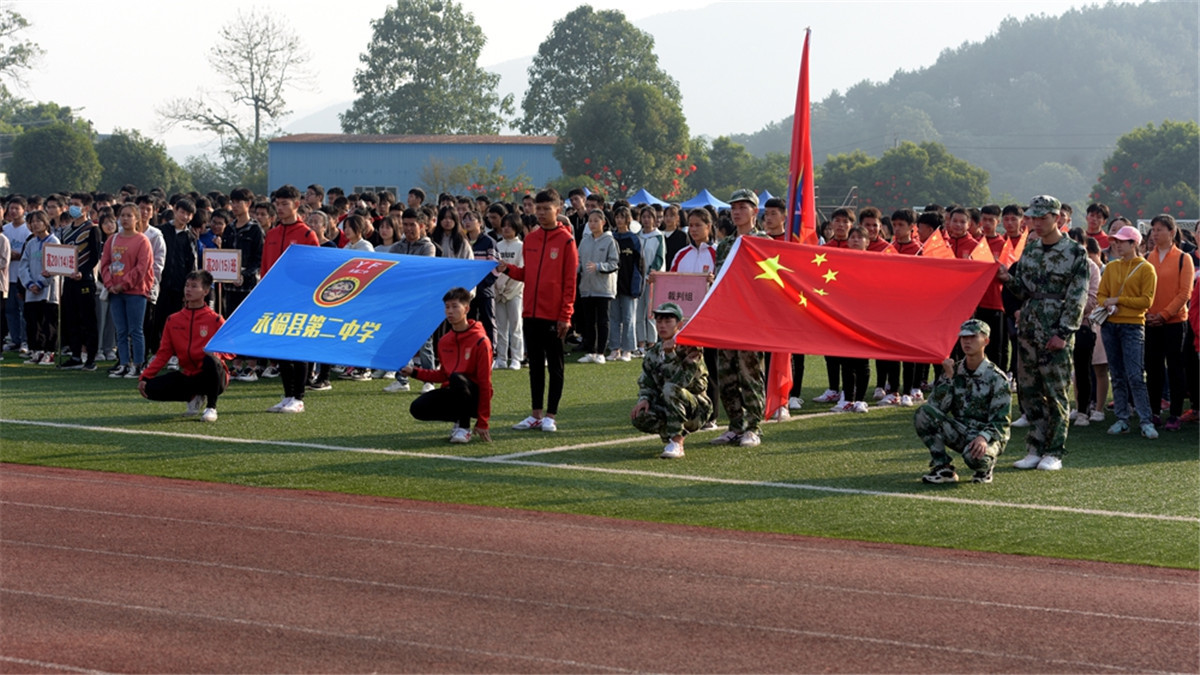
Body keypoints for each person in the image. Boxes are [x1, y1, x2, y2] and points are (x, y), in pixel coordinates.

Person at [997, 195, 1089, 471]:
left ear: (1057, 218)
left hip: (1056, 330)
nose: (1036, 223)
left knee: (1056, 392)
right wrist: (1007, 279)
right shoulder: (1031, 249)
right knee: (1029, 390)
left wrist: (1063, 332)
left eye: (1042, 217)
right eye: (1033, 217)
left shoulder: (1075, 252)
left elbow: (1078, 298)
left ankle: (1054, 451)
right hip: (1029, 328)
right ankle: (1035, 447)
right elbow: (1023, 291)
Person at [495, 188, 578, 433]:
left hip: (554, 315)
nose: (540, 213)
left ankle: (551, 415)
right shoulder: (530, 239)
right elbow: (527, 274)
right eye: (537, 208)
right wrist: (507, 268)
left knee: (555, 365)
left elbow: (569, 282)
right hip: (530, 312)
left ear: (558, 210)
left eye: (545, 209)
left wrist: (566, 315)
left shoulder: (566, 241)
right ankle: (535, 415)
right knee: (534, 366)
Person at [915, 319, 1012, 484]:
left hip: (986, 436)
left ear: (986, 341)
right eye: (963, 337)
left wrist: (983, 437)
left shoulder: (997, 378)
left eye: (973, 337)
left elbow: (1001, 421)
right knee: (923, 414)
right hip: (961, 430)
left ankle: (986, 467)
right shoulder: (955, 371)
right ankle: (943, 467)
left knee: (976, 459)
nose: (967, 341)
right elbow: (936, 407)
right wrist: (948, 378)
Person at [710, 189, 766, 447]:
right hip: (727, 319)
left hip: (751, 319)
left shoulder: (764, 243)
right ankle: (735, 425)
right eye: (733, 207)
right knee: (727, 375)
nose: (736, 212)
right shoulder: (723, 245)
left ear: (755, 211)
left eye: (743, 207)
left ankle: (753, 426)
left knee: (750, 374)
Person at [403, 287, 494, 444]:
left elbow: (485, 383)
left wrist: (483, 421)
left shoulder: (481, 341)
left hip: (474, 398)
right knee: (417, 408)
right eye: (447, 307)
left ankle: (464, 428)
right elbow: (443, 374)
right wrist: (414, 372)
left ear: (466, 309)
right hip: (454, 391)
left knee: (457, 378)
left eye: (454, 306)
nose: (450, 311)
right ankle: (458, 419)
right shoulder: (445, 340)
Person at [138, 271, 231, 422]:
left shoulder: (215, 320)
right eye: (187, 285)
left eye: (194, 286)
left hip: (213, 377)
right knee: (149, 388)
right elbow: (163, 353)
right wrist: (145, 376)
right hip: (189, 375)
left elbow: (231, 348)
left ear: (206, 291)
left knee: (210, 360)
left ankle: (211, 407)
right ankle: (194, 396)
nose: (188, 289)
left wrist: (216, 354)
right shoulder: (173, 320)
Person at [261, 185, 319, 414]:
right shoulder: (272, 234)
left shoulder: (306, 234)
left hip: (300, 299)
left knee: (299, 347)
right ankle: (287, 395)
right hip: (276, 299)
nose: (280, 207)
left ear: (296, 205)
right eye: (277, 203)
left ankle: (299, 397)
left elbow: (315, 270)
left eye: (285, 203)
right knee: (282, 347)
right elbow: (265, 268)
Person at [1097, 225, 1159, 438]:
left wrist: (1117, 300)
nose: (1117, 244)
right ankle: (1122, 418)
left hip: (1133, 326)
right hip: (1110, 325)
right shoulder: (1111, 268)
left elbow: (1146, 301)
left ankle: (1145, 420)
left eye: (1122, 241)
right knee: (1117, 374)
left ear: (1134, 243)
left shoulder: (1146, 268)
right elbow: (1101, 294)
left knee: (1135, 375)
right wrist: (1107, 303)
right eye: (1116, 240)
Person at [631, 302, 713, 459]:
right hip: (670, 403)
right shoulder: (653, 353)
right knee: (641, 416)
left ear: (679, 324)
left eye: (668, 321)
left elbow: (682, 382)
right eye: (659, 321)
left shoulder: (691, 347)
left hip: (697, 408)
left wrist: (670, 355)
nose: (662, 326)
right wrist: (644, 399)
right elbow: (647, 382)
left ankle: (677, 441)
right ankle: (670, 435)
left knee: (670, 388)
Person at [1142, 215, 1194, 432]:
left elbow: (1185, 293)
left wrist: (1163, 314)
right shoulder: (1146, 258)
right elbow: (1140, 290)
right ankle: (1154, 412)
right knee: (1152, 369)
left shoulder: (1184, 258)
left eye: (1159, 230)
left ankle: (1174, 414)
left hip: (1174, 322)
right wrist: (1148, 314)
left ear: (1172, 233)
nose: (1155, 233)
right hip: (1150, 322)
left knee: (1175, 368)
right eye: (1153, 230)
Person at [100, 203, 155, 378]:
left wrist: (123, 284)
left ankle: (138, 364)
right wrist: (109, 284)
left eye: (129, 215)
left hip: (135, 292)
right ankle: (124, 363)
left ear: (137, 219)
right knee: (120, 331)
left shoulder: (142, 241)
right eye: (122, 215)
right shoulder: (113, 240)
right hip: (115, 292)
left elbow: (142, 268)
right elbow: (105, 264)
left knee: (135, 330)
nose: (125, 219)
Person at [17, 211, 61, 366]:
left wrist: (41, 283)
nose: (35, 224)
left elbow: (55, 266)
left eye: (38, 221)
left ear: (45, 222)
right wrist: (29, 283)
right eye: (32, 222)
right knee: (33, 322)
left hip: (48, 290)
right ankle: (36, 350)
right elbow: (23, 265)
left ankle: (49, 352)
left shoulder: (54, 241)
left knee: (49, 322)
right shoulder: (31, 243)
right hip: (31, 291)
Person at [575, 209, 619, 364]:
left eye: (596, 220)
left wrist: (599, 266)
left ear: (603, 222)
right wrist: (575, 269)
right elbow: (578, 260)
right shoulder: (585, 240)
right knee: (589, 321)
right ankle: (591, 351)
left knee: (602, 320)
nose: (592, 224)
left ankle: (601, 352)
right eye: (590, 221)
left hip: (604, 288)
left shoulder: (610, 241)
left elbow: (614, 263)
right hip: (586, 287)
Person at [607, 205, 643, 362]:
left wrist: (637, 285)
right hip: (613, 283)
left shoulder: (634, 239)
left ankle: (628, 349)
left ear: (628, 219)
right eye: (617, 217)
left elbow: (640, 264)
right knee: (614, 318)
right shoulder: (611, 238)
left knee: (628, 318)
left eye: (622, 217)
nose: (619, 220)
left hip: (629, 283)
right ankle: (615, 348)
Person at [492, 214, 525, 371]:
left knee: (516, 325)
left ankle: (517, 357)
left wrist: (509, 289)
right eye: (504, 225)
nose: (506, 229)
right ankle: (501, 358)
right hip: (498, 291)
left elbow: (521, 269)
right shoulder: (497, 245)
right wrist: (498, 289)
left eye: (510, 226)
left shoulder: (521, 246)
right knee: (500, 326)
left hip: (515, 291)